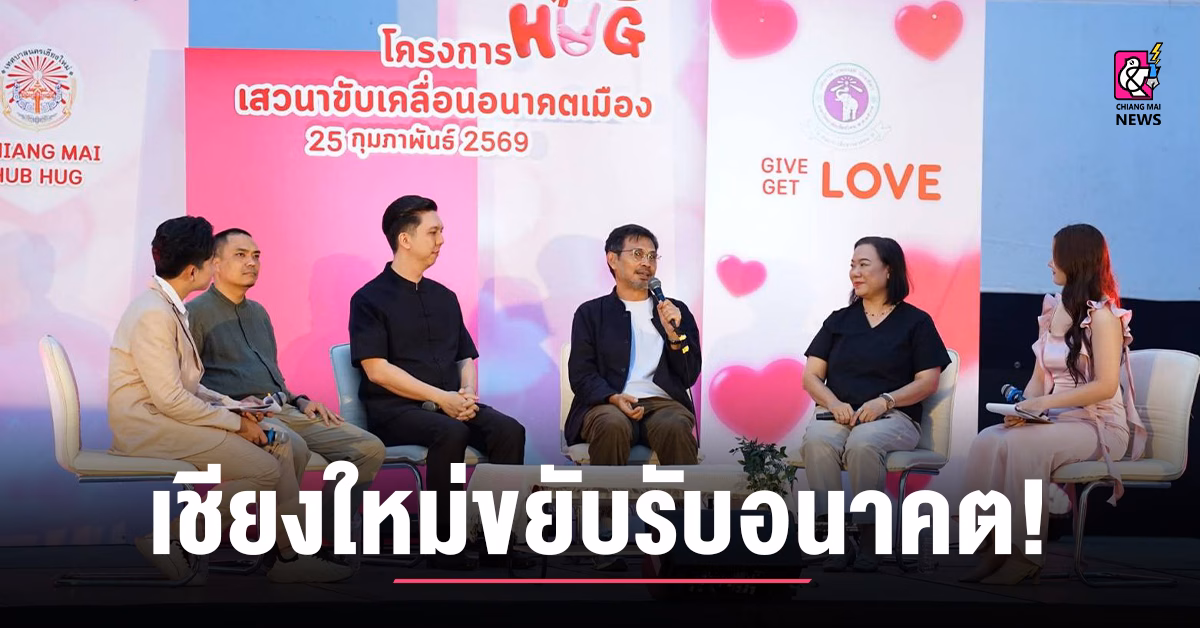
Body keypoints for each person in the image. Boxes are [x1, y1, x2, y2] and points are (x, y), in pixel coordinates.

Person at [107, 216, 353, 584]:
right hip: (148, 426)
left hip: (167, 418)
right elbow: (171, 398)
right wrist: (236, 423)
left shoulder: (169, 307)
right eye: (211, 260)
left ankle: (290, 555)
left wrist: (238, 409)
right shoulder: (154, 314)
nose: (215, 267)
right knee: (266, 469)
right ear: (194, 271)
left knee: (283, 442)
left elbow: (189, 385)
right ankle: (170, 537)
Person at [348, 195, 528, 571]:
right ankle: (444, 545)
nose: (442, 240)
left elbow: (465, 357)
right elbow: (377, 370)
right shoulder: (368, 299)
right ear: (405, 239)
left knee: (509, 431)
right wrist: (442, 399)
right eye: (433, 232)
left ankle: (497, 544)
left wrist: (465, 393)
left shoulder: (444, 297)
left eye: (441, 231)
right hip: (394, 410)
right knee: (450, 432)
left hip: (448, 403)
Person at [960, 224, 1145, 585]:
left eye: (1055, 255)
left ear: (1074, 260)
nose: (1049, 263)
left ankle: (1025, 554)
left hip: (1099, 426)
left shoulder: (1104, 316)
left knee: (1024, 446)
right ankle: (993, 545)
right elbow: (1038, 377)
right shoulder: (1053, 309)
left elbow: (1106, 386)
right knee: (987, 440)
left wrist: (1044, 403)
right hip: (1058, 421)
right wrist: (1025, 409)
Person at [186, 228, 387, 554]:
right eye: (241, 255)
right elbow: (188, 384)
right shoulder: (195, 314)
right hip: (242, 417)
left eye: (256, 256)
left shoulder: (259, 313)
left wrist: (301, 400)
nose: (251, 262)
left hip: (283, 408)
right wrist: (233, 410)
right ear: (215, 263)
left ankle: (326, 529)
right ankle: (287, 552)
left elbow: (272, 378)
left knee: (368, 448)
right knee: (290, 445)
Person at [800, 236, 951, 573]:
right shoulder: (839, 320)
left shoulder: (916, 322)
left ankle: (870, 539)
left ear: (889, 270)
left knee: (863, 444)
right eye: (852, 265)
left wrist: (886, 401)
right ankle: (837, 541)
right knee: (817, 442)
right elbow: (811, 377)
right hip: (839, 415)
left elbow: (928, 381)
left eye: (864, 264)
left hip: (894, 418)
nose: (855, 272)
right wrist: (834, 403)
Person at [565, 224, 701, 467]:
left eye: (652, 256)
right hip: (606, 404)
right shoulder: (591, 313)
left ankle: (681, 494)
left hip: (663, 404)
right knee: (612, 425)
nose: (646, 263)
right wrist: (612, 397)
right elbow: (581, 374)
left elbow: (688, 375)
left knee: (675, 426)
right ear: (612, 259)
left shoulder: (675, 311)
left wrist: (674, 336)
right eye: (638, 254)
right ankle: (605, 495)